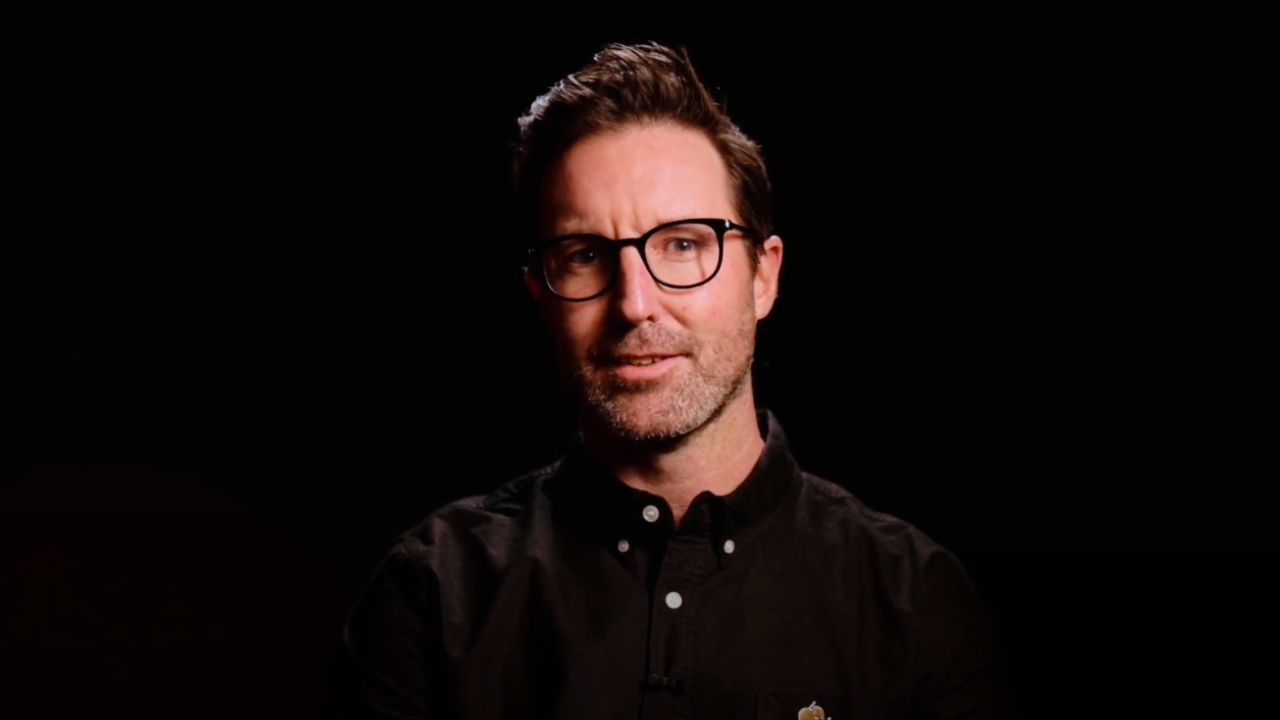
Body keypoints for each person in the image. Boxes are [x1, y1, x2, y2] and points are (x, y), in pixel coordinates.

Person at [326, 43, 1013, 719]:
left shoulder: (913, 604)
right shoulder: (432, 594)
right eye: (585, 255)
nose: (634, 304)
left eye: (683, 244)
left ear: (763, 276)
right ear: (539, 292)